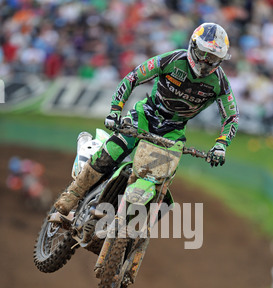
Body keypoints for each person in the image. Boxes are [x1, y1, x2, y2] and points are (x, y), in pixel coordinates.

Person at [55, 22, 239, 216]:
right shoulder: (172, 60)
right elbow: (132, 78)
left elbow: (232, 117)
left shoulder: (219, 82)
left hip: (173, 131)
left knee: (161, 186)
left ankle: (131, 226)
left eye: (213, 58)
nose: (206, 61)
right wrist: (115, 110)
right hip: (144, 116)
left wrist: (221, 144)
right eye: (204, 54)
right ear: (193, 46)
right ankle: (73, 194)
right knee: (112, 152)